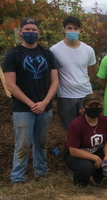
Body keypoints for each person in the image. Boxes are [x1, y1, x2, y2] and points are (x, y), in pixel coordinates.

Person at [3, 17, 59, 184]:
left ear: (39, 33)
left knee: (41, 142)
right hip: (22, 109)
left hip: (45, 107)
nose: (30, 32)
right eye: (27, 29)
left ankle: (41, 173)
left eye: (34, 30)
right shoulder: (13, 54)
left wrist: (44, 102)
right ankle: (17, 178)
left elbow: (55, 81)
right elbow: (11, 85)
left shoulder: (47, 53)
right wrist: (31, 104)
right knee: (22, 144)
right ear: (21, 32)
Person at [63, 93, 107, 187]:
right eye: (90, 106)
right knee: (87, 167)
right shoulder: (77, 124)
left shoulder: (104, 121)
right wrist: (95, 158)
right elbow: (73, 150)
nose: (94, 108)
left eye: (97, 105)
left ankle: (97, 177)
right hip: (76, 154)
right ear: (84, 107)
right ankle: (78, 179)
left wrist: (106, 156)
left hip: (96, 150)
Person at [50, 16, 97, 131]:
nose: (72, 31)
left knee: (87, 127)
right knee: (69, 129)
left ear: (80, 30)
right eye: (69, 28)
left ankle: (87, 149)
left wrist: (83, 82)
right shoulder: (55, 50)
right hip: (66, 97)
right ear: (64, 30)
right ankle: (71, 149)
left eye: (75, 28)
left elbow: (92, 71)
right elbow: (53, 74)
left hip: (85, 95)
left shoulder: (88, 50)